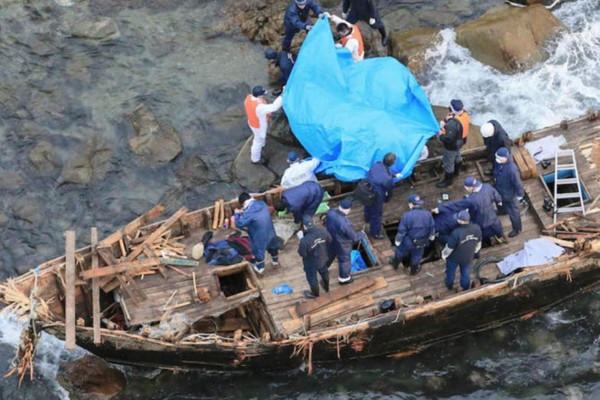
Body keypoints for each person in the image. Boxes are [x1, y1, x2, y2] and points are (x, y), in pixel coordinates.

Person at [433, 176, 504, 247]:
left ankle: (485, 243)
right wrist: (499, 200)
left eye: (466, 187)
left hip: (481, 220)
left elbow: (456, 205)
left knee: (482, 234)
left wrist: (440, 208)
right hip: (492, 216)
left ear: (470, 188)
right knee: (497, 228)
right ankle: (500, 237)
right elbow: (495, 194)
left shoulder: (471, 200)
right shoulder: (487, 187)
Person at [234, 192, 280, 275]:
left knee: (258, 250)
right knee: (273, 246)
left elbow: (239, 223)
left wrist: (237, 214)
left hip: (259, 235)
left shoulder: (249, 213)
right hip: (270, 231)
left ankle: (260, 268)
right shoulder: (262, 203)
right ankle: (275, 262)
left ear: (243, 203)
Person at [390, 194, 435, 275]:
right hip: (422, 241)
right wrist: (432, 236)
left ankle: (395, 265)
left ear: (410, 204)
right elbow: (432, 228)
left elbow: (402, 231)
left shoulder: (407, 215)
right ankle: (413, 271)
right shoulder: (428, 214)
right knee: (417, 256)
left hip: (408, 241)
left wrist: (397, 240)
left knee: (400, 251)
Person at [325, 198, 365, 285]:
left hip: (331, 239)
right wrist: (361, 234)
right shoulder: (345, 223)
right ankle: (344, 279)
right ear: (348, 209)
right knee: (344, 261)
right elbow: (353, 237)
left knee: (329, 254)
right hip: (342, 245)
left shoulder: (331, 213)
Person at [441, 210, 482, 291]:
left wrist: (444, 255)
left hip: (454, 258)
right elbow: (478, 244)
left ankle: (449, 285)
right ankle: (465, 287)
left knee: (450, 273)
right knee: (465, 273)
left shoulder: (456, 233)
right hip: (468, 257)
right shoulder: (477, 228)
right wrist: (474, 252)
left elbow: (449, 248)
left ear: (461, 221)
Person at [244, 86, 283, 165]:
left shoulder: (248, 98)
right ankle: (255, 159)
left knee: (259, 139)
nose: (263, 95)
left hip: (252, 122)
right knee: (258, 142)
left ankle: (261, 146)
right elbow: (274, 107)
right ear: (259, 96)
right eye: (262, 94)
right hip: (258, 126)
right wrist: (282, 96)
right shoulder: (259, 107)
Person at [364, 153, 397, 240]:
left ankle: (366, 218)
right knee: (377, 214)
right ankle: (375, 233)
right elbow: (389, 188)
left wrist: (393, 175)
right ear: (392, 163)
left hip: (367, 189)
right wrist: (387, 199)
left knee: (367, 205)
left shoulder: (377, 164)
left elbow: (383, 172)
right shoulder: (387, 179)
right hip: (376, 195)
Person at [493, 147, 524, 238]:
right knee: (499, 202)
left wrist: (520, 195)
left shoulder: (512, 170)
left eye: (499, 158)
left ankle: (517, 229)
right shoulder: (499, 162)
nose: (497, 160)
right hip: (500, 189)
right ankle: (502, 211)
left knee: (514, 213)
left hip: (510, 195)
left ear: (505, 158)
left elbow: (518, 184)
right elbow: (496, 171)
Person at [298, 222, 332, 298]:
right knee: (324, 271)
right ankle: (326, 286)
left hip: (311, 262)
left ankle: (315, 294)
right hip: (323, 257)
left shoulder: (304, 241)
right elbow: (329, 240)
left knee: (312, 277)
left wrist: (301, 239)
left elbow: (302, 254)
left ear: (304, 227)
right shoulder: (323, 231)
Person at [436, 117, 463, 188]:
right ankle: (456, 172)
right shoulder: (457, 122)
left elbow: (448, 139)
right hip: (458, 144)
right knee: (458, 158)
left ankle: (448, 181)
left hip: (451, 148)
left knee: (448, 164)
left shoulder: (450, 126)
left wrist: (441, 136)